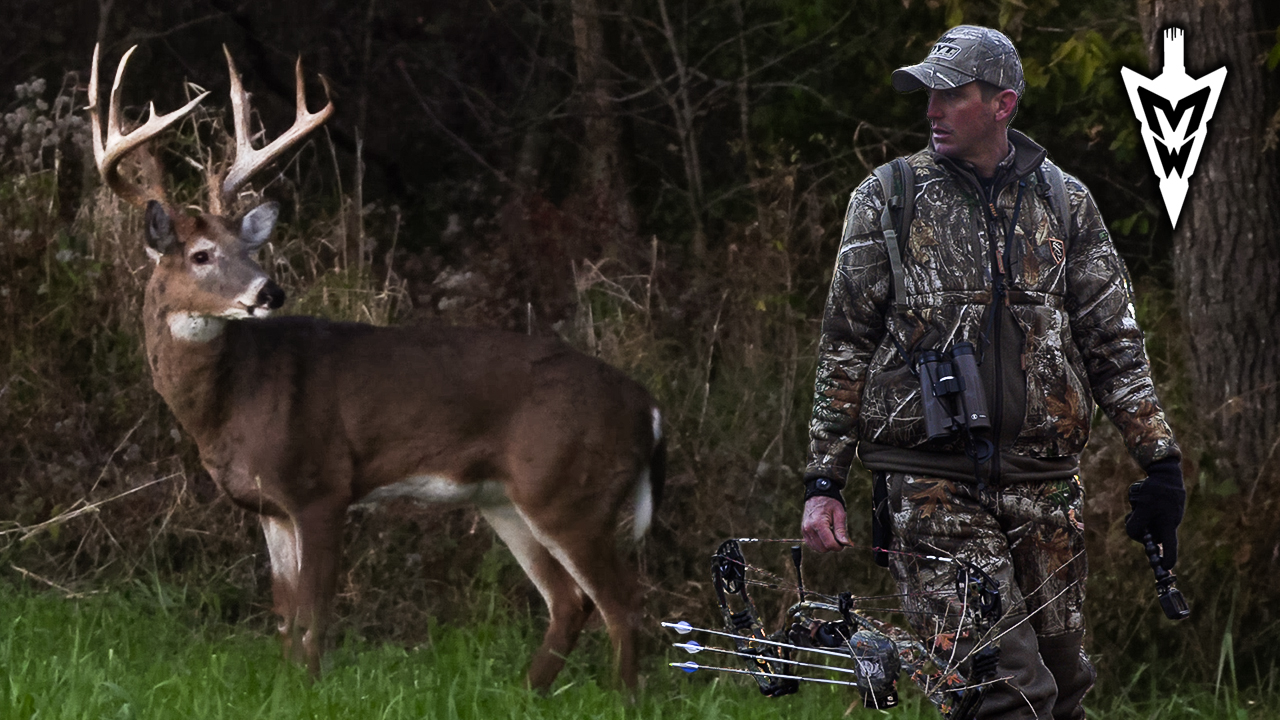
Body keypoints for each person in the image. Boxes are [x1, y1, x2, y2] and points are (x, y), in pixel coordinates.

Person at [799, 25, 1186, 720]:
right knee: (1004, 696)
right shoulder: (889, 197)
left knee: (1063, 692)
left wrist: (1160, 463)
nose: (932, 110)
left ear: (1003, 104)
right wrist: (824, 482)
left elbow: (1114, 342)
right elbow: (845, 344)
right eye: (928, 96)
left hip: (1045, 487)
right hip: (930, 486)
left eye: (951, 96)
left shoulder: (1065, 201)